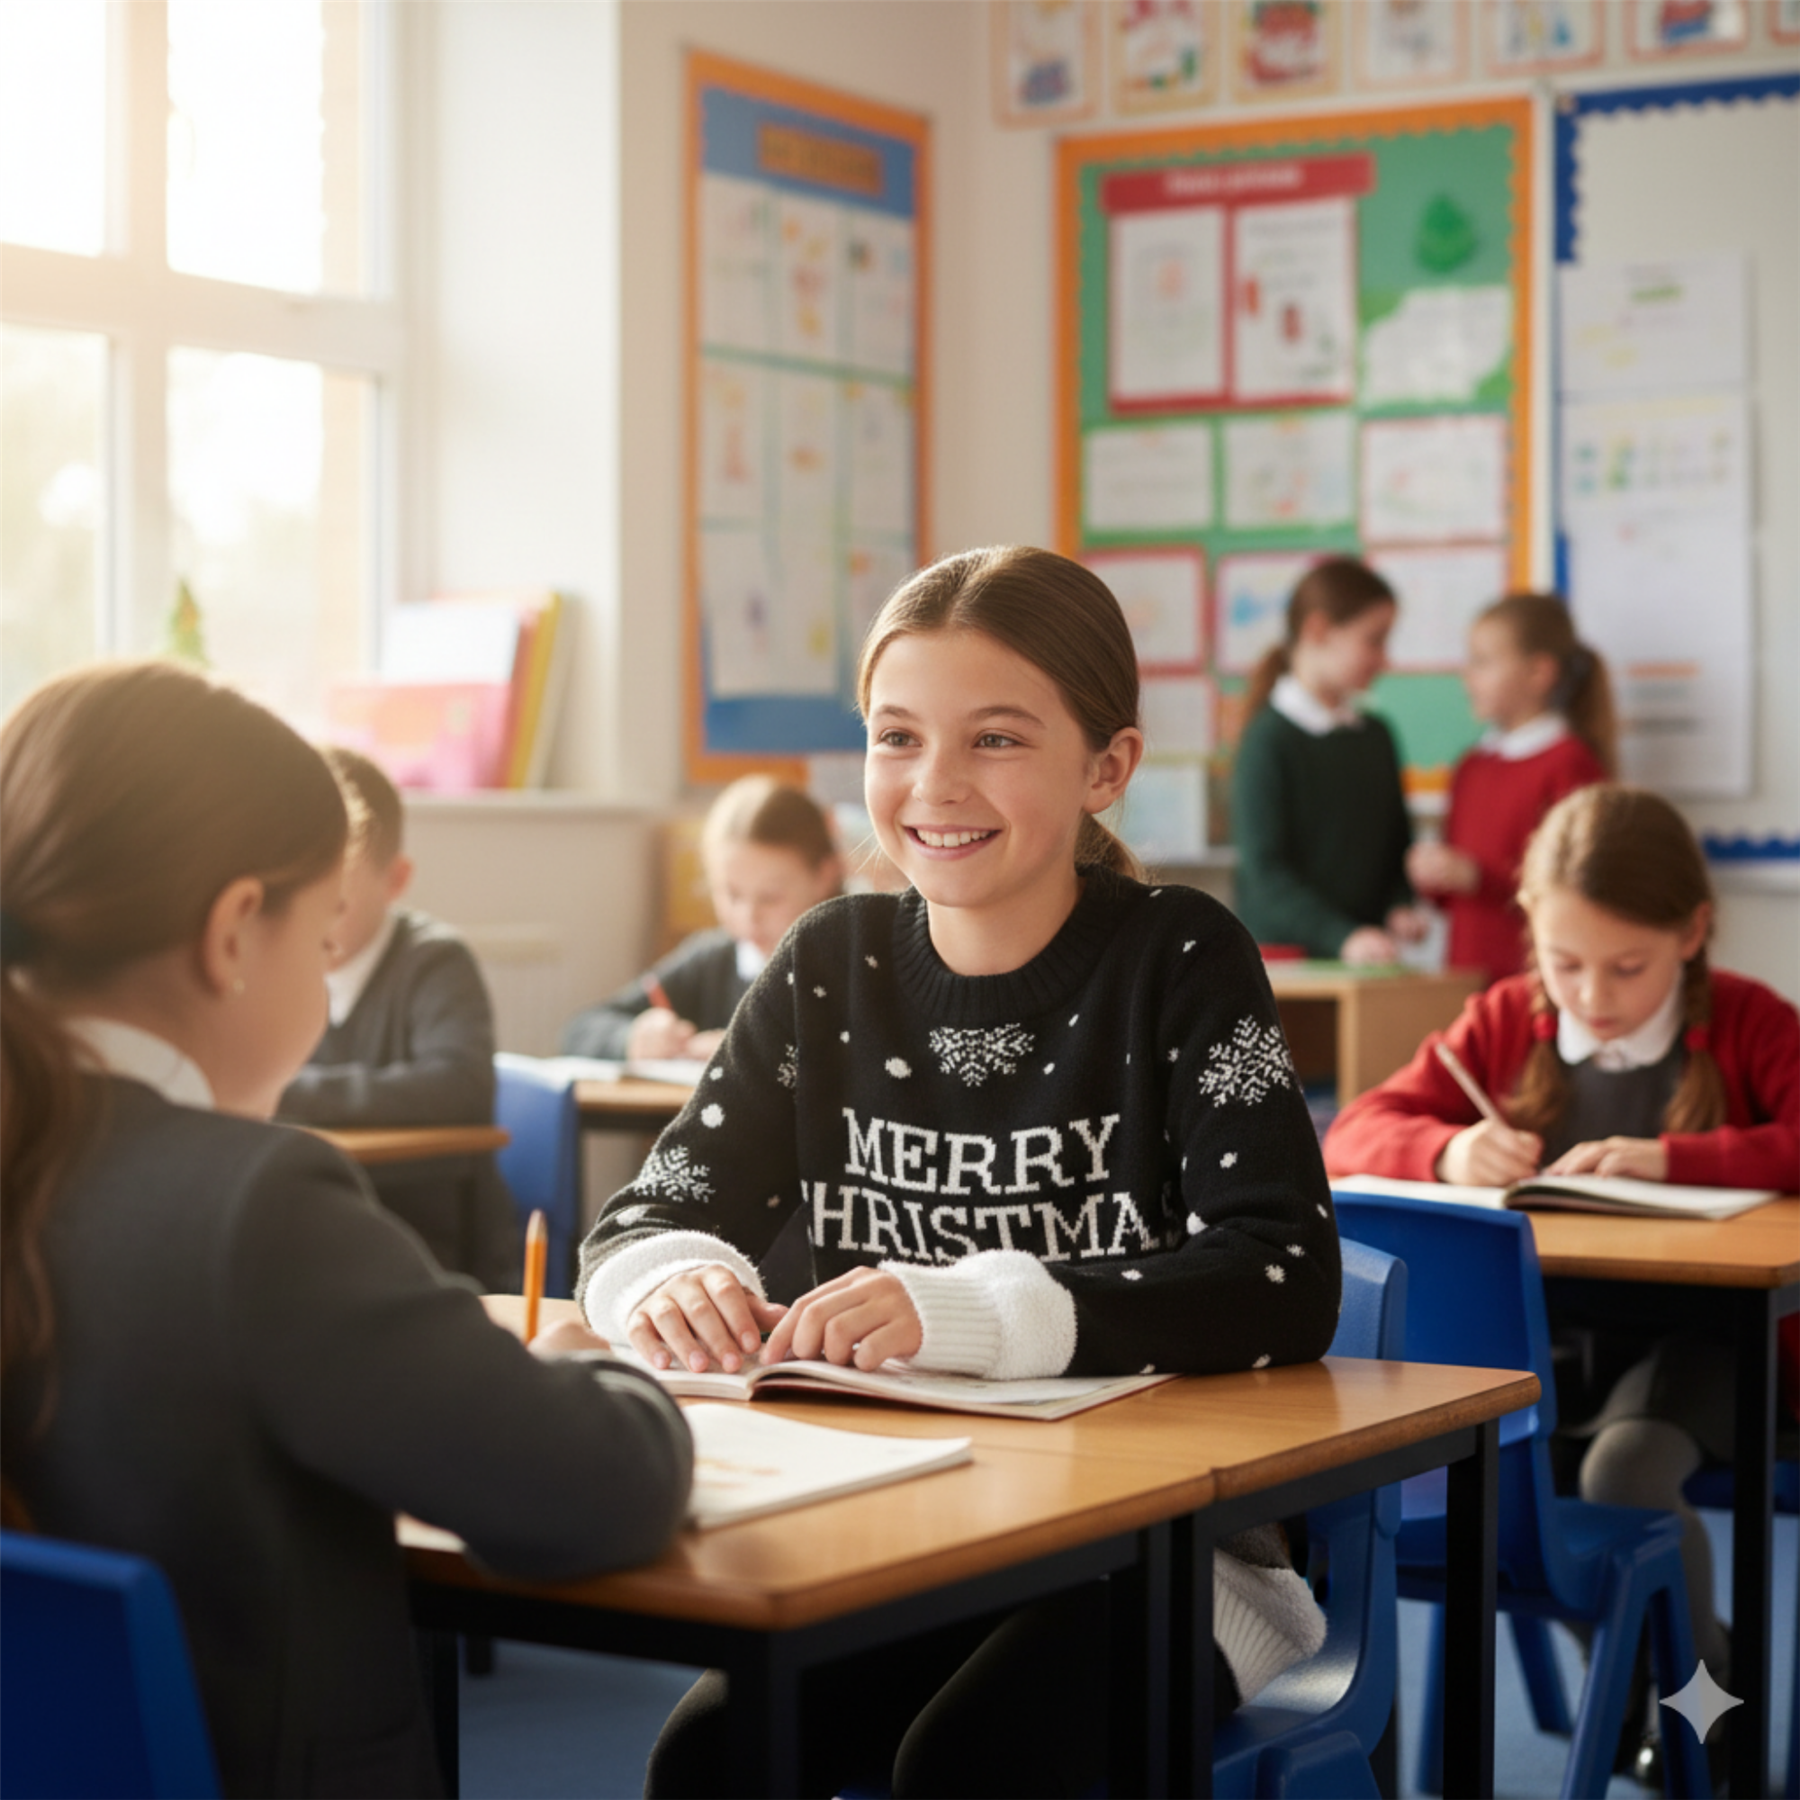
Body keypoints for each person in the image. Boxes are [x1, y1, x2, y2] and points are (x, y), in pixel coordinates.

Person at [579, 546, 1341, 1800]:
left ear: (1108, 768)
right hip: (908, 1518)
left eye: (995, 740)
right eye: (895, 737)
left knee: (970, 1766)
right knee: (711, 1756)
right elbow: (650, 1213)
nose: (933, 785)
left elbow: (1283, 1274)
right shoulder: (829, 960)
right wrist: (667, 1281)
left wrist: (969, 1308)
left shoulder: (1180, 954)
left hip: (1165, 1551)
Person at [0, 661, 692, 1799]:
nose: (327, 992)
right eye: (324, 945)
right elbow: (592, 1493)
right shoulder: (248, 1207)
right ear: (233, 934)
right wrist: (605, 1377)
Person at [1324, 783, 1800, 1701]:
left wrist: (1676, 1159)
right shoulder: (1507, 1017)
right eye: (1566, 963)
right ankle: (1641, 1698)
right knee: (1510, 1492)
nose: (1593, 994)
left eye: (1628, 967)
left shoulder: (1747, 1019)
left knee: (1624, 1474)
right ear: (1532, 935)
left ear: (1692, 934)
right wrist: (1449, 1148)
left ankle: (1703, 1702)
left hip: (1710, 1348)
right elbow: (1355, 1131)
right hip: (1549, 1345)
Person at [276, 746, 519, 1290]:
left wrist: (289, 1092)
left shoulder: (434, 961)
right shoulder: (283, 962)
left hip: (423, 1234)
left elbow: (462, 1085)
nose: (320, 922)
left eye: (337, 902)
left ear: (396, 879)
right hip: (316, 1216)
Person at [561, 774, 843, 1063]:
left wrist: (750, 1052)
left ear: (824, 875)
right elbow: (581, 1030)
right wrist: (633, 1038)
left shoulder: (853, 963)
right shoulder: (714, 960)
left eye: (770, 897)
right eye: (731, 895)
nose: (748, 917)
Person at [1230, 557, 1428, 964]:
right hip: (1286, 963)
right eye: (1373, 640)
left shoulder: (1376, 735)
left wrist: (1400, 905)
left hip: (1367, 959)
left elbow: (1396, 848)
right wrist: (1343, 936)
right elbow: (1265, 876)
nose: (1383, 659)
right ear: (1318, 630)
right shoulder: (1268, 739)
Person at [1407, 593, 1613, 982]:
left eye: (1482, 662)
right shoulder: (1471, 765)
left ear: (1539, 673)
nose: (1467, 676)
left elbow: (1579, 885)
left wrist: (1477, 878)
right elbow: (1455, 895)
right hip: (1466, 979)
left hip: (1537, 980)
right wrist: (1433, 878)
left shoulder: (1570, 764)